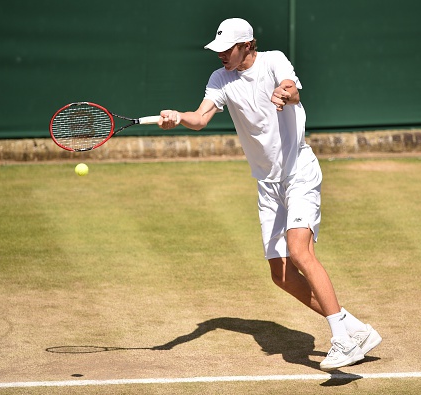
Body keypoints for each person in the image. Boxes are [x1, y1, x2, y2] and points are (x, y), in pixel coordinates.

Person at [157, 17, 381, 371]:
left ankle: (341, 339)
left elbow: (292, 88)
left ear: (247, 45)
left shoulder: (274, 60)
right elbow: (199, 118)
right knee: (281, 275)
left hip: (298, 174)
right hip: (267, 184)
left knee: (299, 251)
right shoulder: (221, 79)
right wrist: (177, 116)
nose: (221, 56)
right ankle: (354, 328)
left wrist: (285, 93)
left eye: (226, 49)